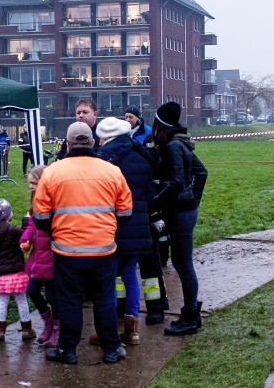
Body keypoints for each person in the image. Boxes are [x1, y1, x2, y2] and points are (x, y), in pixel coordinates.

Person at [33, 122, 133, 365]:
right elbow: (126, 212)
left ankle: (67, 351)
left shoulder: (53, 172)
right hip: (103, 249)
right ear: (93, 142)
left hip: (67, 252)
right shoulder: (111, 171)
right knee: (104, 299)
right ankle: (111, 349)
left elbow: (40, 217)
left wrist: (58, 231)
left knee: (69, 302)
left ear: (68, 144)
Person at [95, 117, 155, 345]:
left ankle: (108, 330)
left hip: (113, 224)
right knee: (130, 274)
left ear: (105, 136)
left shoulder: (105, 158)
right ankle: (133, 329)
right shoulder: (141, 154)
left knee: (109, 278)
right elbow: (150, 193)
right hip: (138, 224)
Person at [151, 102, 208, 336]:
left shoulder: (173, 146)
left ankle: (190, 315)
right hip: (185, 209)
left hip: (180, 211)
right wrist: (194, 198)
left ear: (160, 124)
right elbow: (201, 172)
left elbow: (174, 183)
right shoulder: (181, 143)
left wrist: (154, 202)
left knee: (183, 264)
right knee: (183, 263)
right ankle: (190, 312)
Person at [0, 198, 34, 341]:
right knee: (21, 300)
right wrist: (26, 221)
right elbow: (25, 238)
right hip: (17, 272)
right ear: (6, 215)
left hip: (0, 274)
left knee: (2, 301)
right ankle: (27, 330)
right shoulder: (13, 230)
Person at [20, 165, 58, 346]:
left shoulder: (53, 200)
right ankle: (48, 321)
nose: (31, 187)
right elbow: (31, 225)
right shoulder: (35, 200)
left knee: (53, 295)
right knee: (32, 290)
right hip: (38, 255)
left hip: (52, 255)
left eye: (34, 183)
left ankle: (57, 328)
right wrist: (26, 238)